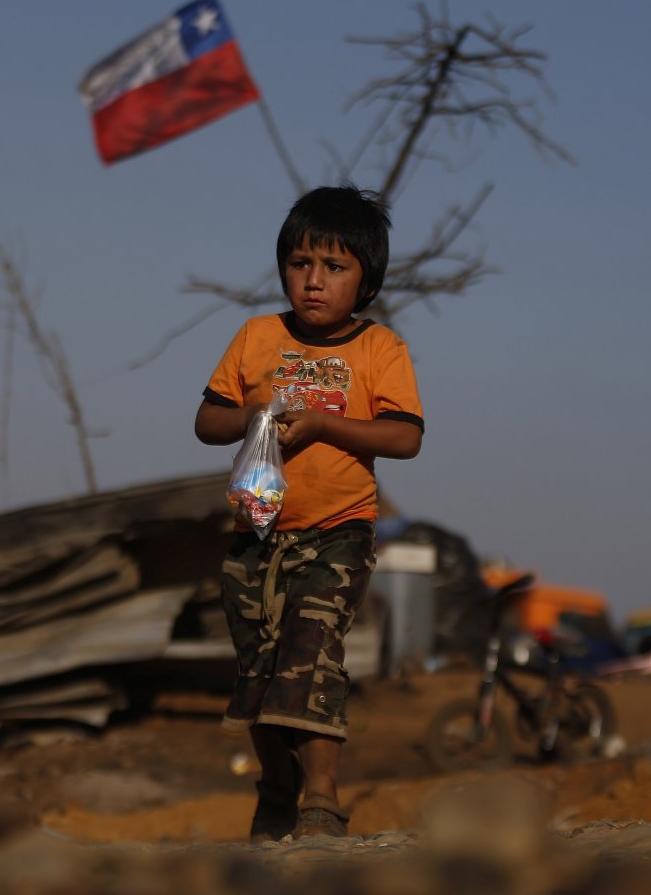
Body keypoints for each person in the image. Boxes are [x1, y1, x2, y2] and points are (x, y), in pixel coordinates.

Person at [194, 185, 424, 841]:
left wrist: (324, 425)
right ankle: (277, 789)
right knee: (261, 667)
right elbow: (207, 421)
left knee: (311, 650)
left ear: (366, 281)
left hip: (338, 532)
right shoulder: (256, 337)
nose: (314, 281)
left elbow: (405, 436)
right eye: (300, 264)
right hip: (256, 531)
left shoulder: (380, 349)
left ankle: (321, 800)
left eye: (334, 267)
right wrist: (254, 417)